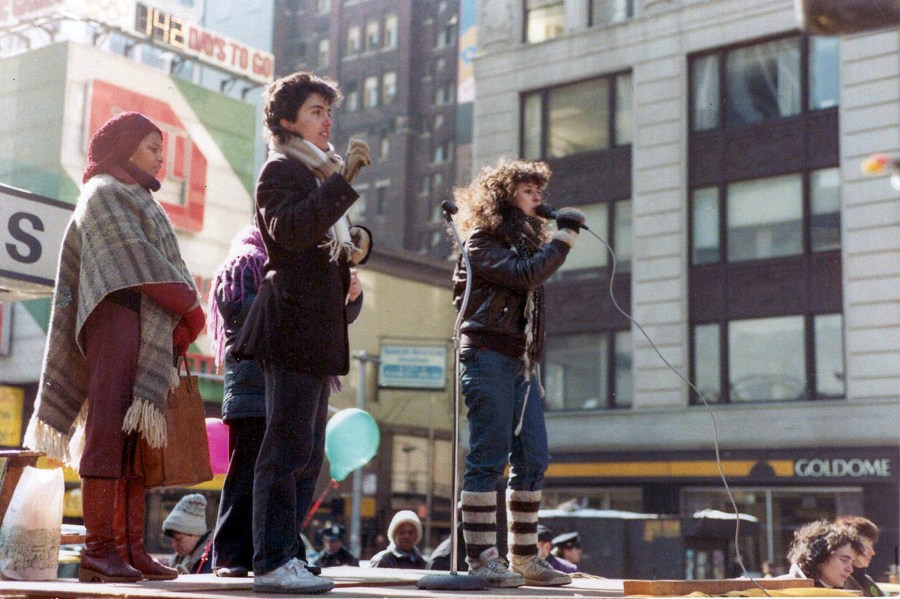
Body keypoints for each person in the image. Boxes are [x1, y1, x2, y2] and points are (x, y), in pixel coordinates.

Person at [24, 112, 203, 584]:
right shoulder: (103, 192)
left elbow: (157, 263)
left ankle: (130, 549)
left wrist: (183, 308)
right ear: (125, 147)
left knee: (134, 437)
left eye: (161, 149)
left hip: (141, 321)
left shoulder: (140, 197)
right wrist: (188, 304)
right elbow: (138, 260)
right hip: (113, 319)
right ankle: (100, 550)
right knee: (107, 430)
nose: (161, 158)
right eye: (152, 147)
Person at [231, 71, 372, 595]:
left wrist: (353, 253)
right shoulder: (281, 169)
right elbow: (290, 232)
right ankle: (271, 562)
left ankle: (287, 554)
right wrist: (343, 182)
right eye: (316, 110)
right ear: (287, 120)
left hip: (314, 330)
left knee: (309, 454)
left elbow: (323, 243)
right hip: (290, 326)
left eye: (329, 111)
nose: (327, 120)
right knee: (285, 449)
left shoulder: (316, 172)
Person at [449, 159, 582, 588]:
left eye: (539, 190)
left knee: (532, 457)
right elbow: (523, 277)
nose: (538, 197)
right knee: (488, 457)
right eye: (528, 190)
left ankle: (524, 557)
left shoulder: (525, 245)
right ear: (504, 198)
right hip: (487, 355)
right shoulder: (481, 240)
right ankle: (481, 558)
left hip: (520, 363)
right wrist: (564, 238)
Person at [207, 225, 363, 578]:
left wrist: (349, 298)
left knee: (298, 470)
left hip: (299, 378)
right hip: (254, 387)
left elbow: (331, 322)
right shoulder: (245, 259)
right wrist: (296, 302)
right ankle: (231, 555)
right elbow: (240, 311)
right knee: (248, 472)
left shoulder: (306, 265)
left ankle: (285, 550)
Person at [784, 519, 865, 589]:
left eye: (852, 563)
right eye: (844, 560)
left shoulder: (855, 590)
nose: (850, 570)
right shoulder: (781, 592)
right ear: (820, 556)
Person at [834, 515, 885, 596]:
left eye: (871, 546)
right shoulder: (839, 582)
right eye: (866, 546)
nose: (872, 552)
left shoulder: (867, 581)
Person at [163, 494, 213, 574]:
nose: (173, 545)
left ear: (195, 532)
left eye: (178, 539)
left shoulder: (212, 562)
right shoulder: (183, 557)